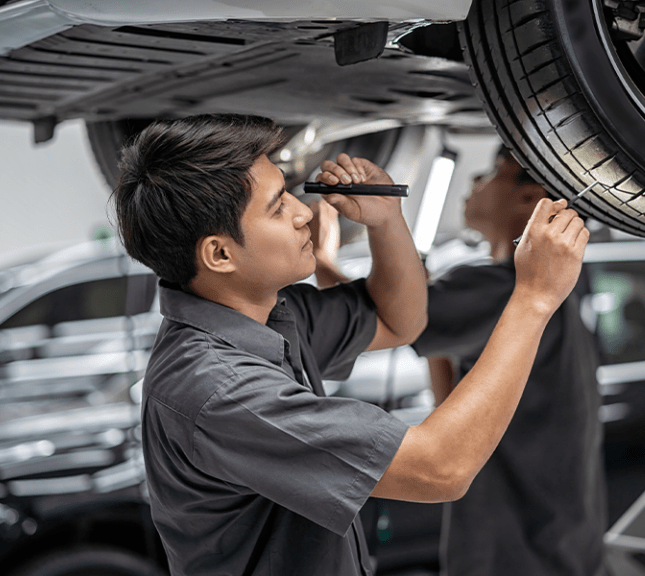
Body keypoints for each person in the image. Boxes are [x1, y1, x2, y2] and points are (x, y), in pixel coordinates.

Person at [111, 114, 589, 576]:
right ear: (219, 254)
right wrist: (534, 298)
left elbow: (399, 320)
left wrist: (386, 222)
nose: (304, 214)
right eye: (278, 206)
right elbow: (441, 469)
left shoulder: (274, 315)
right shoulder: (219, 390)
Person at [412, 146, 606, 576]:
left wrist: (356, 236)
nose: (473, 184)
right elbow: (450, 398)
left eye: (489, 172)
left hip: (513, 553)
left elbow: (382, 318)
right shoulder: (558, 290)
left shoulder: (503, 289)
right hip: (562, 547)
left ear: (530, 197)